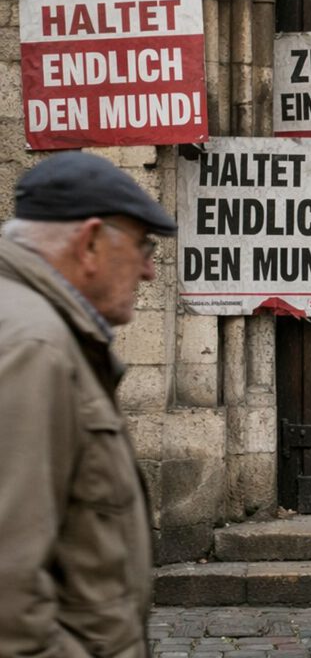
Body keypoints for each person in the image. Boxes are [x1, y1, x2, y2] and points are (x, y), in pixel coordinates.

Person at [0, 151, 176, 658]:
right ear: (91, 242)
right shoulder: (33, 346)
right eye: (142, 246)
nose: (147, 271)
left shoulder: (38, 330)